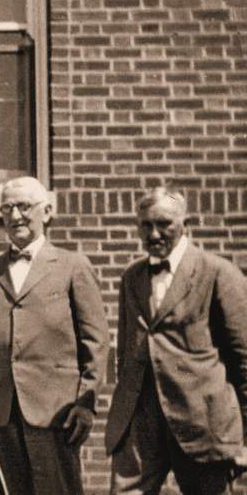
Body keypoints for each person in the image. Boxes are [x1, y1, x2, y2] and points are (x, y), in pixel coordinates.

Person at [0, 176, 107, 495]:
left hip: (55, 409)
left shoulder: (72, 266)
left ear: (47, 211)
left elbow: (95, 343)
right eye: (7, 207)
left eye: (24, 206)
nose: (14, 216)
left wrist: (86, 403)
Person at [106, 188, 247, 494]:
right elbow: (127, 351)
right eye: (145, 225)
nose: (153, 233)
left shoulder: (218, 273)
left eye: (164, 224)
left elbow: (243, 358)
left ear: (186, 224)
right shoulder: (132, 277)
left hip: (203, 420)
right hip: (142, 421)